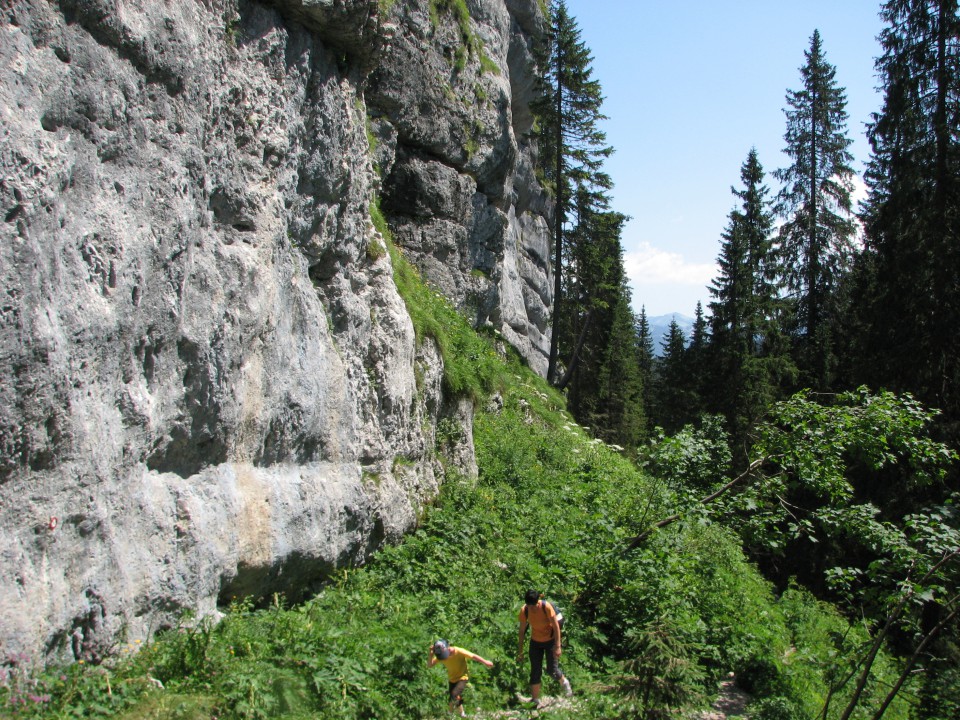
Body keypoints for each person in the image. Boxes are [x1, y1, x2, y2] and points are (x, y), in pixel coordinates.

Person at [517, 589, 572, 707]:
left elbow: (556, 627)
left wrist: (558, 646)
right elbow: (521, 631)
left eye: (533, 606)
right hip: (535, 642)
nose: (531, 608)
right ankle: (535, 700)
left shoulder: (546, 607)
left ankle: (565, 683)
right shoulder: (525, 610)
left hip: (550, 641)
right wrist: (520, 651)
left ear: (537, 602)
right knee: (535, 671)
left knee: (552, 670)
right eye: (529, 606)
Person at [428, 638, 494, 717]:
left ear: (448, 647)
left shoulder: (459, 651)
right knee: (455, 697)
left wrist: (485, 662)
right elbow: (430, 665)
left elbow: (473, 656)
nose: (445, 657)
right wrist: (431, 654)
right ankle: (463, 714)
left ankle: (449, 713)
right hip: (452, 678)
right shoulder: (440, 656)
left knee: (454, 694)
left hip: (462, 677)